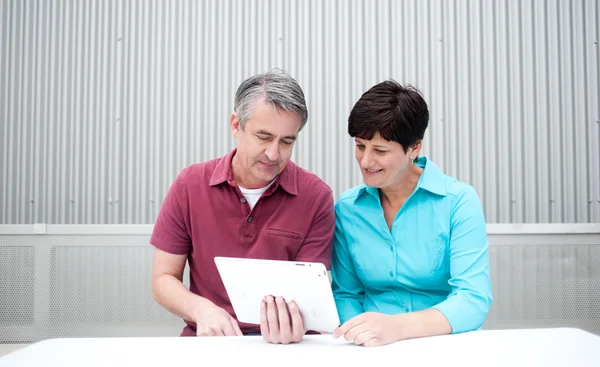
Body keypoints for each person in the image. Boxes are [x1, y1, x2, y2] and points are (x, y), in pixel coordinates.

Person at [150, 69, 335, 344]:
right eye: (263, 137)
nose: (274, 154)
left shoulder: (316, 196)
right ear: (236, 125)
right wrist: (201, 310)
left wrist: (297, 322)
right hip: (208, 339)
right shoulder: (189, 185)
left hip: (288, 346)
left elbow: (311, 296)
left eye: (287, 141)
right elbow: (163, 278)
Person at [330, 80, 493, 347]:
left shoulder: (458, 202)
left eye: (380, 151)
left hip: (445, 346)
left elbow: (473, 299)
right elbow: (346, 294)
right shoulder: (348, 209)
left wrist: (394, 328)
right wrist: (360, 339)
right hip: (369, 350)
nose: (366, 161)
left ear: (414, 148)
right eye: (360, 146)